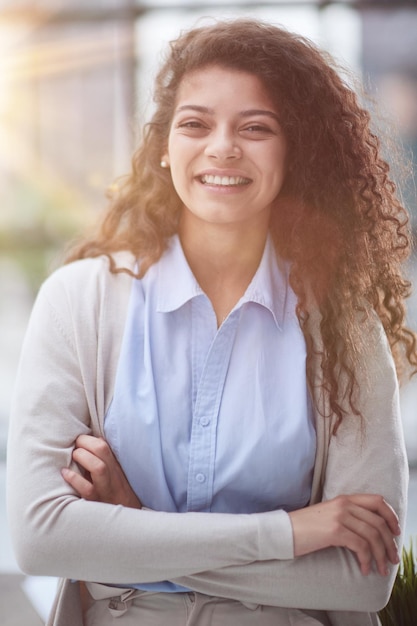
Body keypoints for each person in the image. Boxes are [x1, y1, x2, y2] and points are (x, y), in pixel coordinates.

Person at [7, 18, 417, 626]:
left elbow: (360, 581)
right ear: (165, 150)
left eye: (255, 128)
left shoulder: (344, 328)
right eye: (195, 123)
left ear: (293, 153)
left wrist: (134, 529)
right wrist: (289, 533)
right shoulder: (80, 301)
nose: (223, 147)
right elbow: (42, 538)